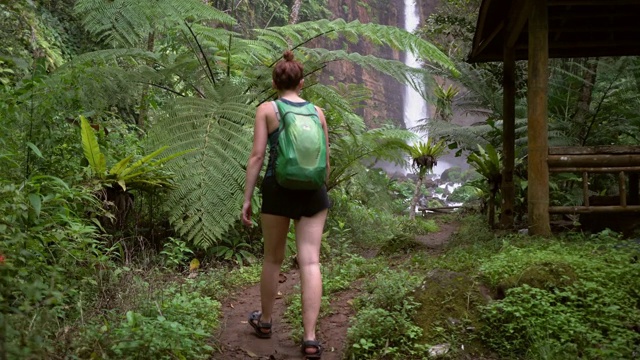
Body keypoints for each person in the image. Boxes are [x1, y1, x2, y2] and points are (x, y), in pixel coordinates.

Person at [241, 50, 330, 359]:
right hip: (314, 194)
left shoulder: (267, 109)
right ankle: (310, 338)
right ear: (302, 83)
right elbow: (325, 161)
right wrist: (318, 191)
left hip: (277, 190)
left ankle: (265, 323)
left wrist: (248, 197)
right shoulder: (318, 112)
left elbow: (257, 156)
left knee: (272, 259)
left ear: (274, 81)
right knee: (310, 261)